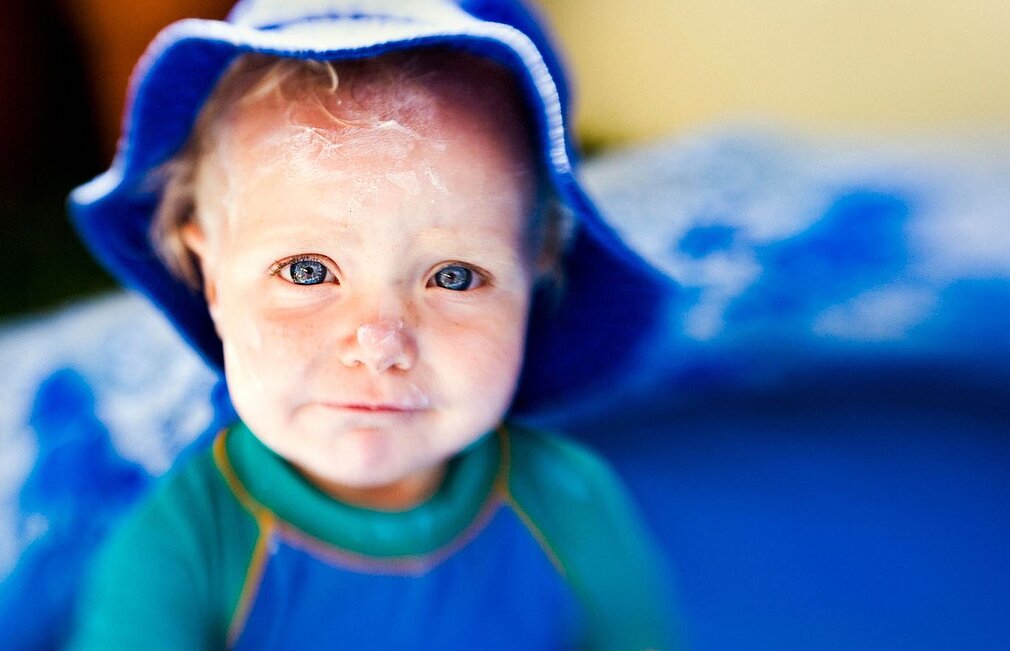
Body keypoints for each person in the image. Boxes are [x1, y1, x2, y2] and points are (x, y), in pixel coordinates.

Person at [66, 0, 677, 648]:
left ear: (536, 273)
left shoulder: (573, 505)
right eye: (306, 271)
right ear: (209, 274)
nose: (380, 344)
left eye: (455, 276)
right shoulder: (181, 552)